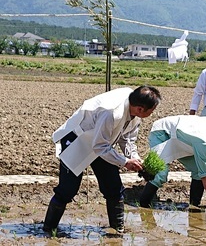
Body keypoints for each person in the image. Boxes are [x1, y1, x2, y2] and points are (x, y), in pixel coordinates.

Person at [43, 85, 162, 233]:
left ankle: (118, 229)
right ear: (140, 108)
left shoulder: (134, 112)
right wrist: (124, 162)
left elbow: (127, 138)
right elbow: (99, 146)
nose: (152, 113)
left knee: (113, 187)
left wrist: (134, 158)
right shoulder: (111, 112)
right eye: (151, 111)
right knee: (67, 190)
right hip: (78, 143)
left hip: (103, 144)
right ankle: (48, 229)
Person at [139, 115, 206, 211]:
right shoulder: (205, 143)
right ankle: (143, 205)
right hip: (163, 132)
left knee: (197, 171)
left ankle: (194, 206)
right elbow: (205, 175)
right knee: (161, 174)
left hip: (183, 141)